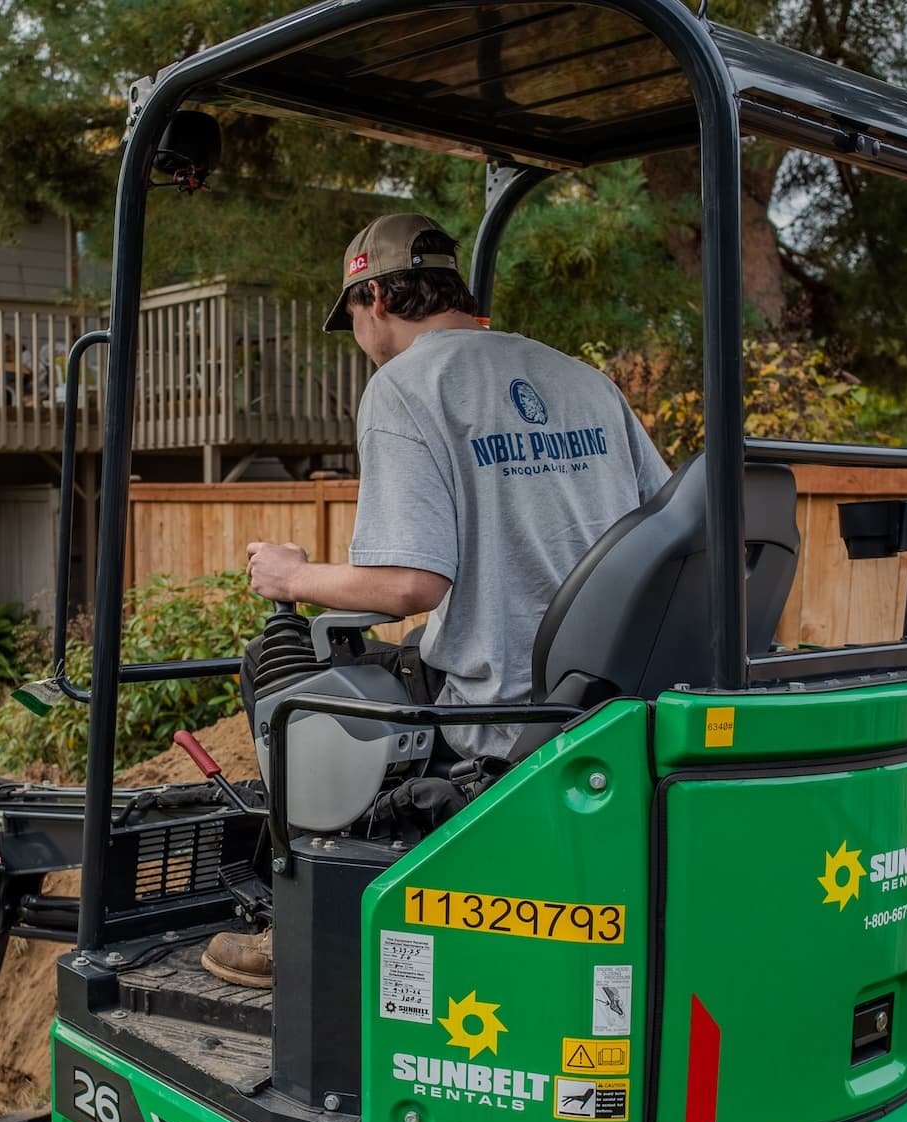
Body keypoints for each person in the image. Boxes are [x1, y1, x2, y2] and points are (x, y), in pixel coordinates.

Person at [207, 212, 669, 986]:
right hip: (610, 698)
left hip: (506, 713)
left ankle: (307, 936)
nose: (359, 336)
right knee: (404, 660)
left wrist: (292, 578)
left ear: (378, 298)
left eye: (353, 316)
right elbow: (665, 521)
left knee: (283, 676)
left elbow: (407, 585)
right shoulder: (582, 379)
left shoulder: (406, 387)